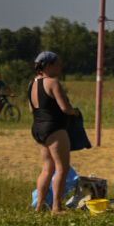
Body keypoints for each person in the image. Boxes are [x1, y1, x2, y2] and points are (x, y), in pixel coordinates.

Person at [29, 51, 80, 212]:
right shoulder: (52, 82)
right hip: (54, 128)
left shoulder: (32, 84)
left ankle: (40, 205)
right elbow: (65, 107)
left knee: (47, 168)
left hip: (38, 128)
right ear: (49, 65)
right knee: (62, 168)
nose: (60, 67)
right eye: (58, 64)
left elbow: (32, 109)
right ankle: (56, 207)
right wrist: (75, 112)